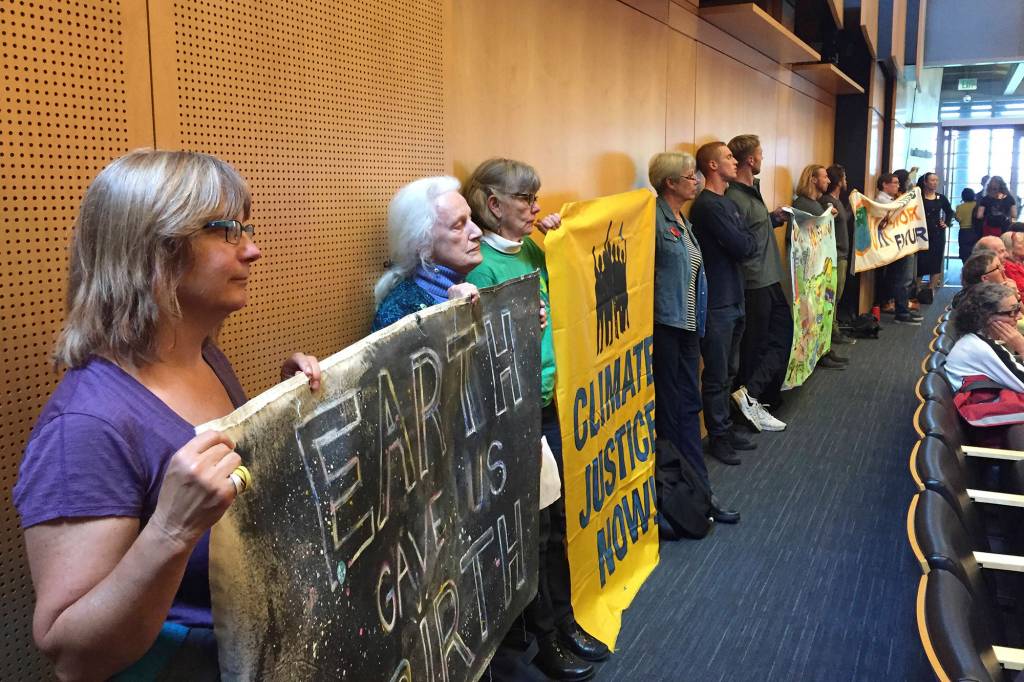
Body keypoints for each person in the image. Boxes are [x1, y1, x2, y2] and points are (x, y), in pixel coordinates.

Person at [12, 150, 323, 680]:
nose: (253, 249)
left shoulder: (204, 357)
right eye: (226, 231)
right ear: (153, 251)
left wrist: (284, 413)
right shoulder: (85, 428)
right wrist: (171, 530)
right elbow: (71, 657)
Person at [461, 158, 604, 681]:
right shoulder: (483, 267)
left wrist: (554, 240)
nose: (535, 207)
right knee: (538, 529)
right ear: (493, 204)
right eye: (525, 199)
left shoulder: (528, 250)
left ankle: (564, 621)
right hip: (516, 412)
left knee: (562, 520)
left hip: (550, 398)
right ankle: (544, 637)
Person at [647, 151, 740, 523]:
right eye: (689, 176)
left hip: (687, 330)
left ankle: (696, 492)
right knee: (677, 413)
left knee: (687, 409)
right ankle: (692, 496)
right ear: (669, 183)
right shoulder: (652, 218)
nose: (696, 181)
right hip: (666, 331)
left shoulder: (681, 221)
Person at [690, 141, 770, 464]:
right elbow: (743, 244)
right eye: (727, 157)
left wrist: (742, 239)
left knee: (731, 369)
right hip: (718, 302)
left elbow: (746, 242)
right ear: (711, 166)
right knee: (717, 371)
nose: (734, 161)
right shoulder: (707, 206)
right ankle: (718, 436)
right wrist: (742, 239)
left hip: (735, 297)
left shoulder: (728, 202)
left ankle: (725, 427)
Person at [724, 134, 794, 434]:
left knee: (781, 335)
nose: (763, 157)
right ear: (750, 159)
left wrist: (773, 219)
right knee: (757, 345)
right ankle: (750, 397)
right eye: (761, 153)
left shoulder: (752, 189)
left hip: (770, 276)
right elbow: (740, 240)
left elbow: (753, 227)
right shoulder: (733, 197)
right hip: (754, 282)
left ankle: (753, 394)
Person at [372, 176, 482, 330]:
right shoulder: (401, 313)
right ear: (422, 243)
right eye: (458, 226)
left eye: (470, 219)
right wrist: (454, 314)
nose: (477, 232)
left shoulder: (463, 285)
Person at [945, 282, 1024, 447]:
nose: (1018, 316)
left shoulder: (976, 340)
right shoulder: (981, 348)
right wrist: (1021, 345)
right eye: (1012, 311)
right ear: (987, 317)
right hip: (988, 435)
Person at [792, 164, 847, 369]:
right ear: (813, 180)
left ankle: (825, 350)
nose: (828, 181)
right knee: (814, 315)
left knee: (824, 311)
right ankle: (818, 355)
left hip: (823, 267)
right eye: (824, 177)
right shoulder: (803, 204)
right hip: (810, 271)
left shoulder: (815, 204)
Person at [875, 173, 922, 325]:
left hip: (901, 244)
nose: (898, 186)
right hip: (895, 246)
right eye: (894, 183)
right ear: (884, 185)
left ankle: (903, 309)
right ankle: (901, 312)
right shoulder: (882, 201)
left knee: (902, 279)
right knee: (903, 279)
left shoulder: (892, 200)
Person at [820, 164, 855, 344]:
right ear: (839, 181)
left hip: (842, 253)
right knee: (833, 296)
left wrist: (851, 206)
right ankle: (832, 332)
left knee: (837, 295)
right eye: (844, 178)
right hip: (835, 254)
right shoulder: (827, 201)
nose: (846, 181)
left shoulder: (838, 201)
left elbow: (843, 220)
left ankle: (833, 329)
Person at [915, 172, 954, 293]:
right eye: (932, 180)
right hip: (921, 233)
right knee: (921, 262)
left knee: (936, 261)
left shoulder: (941, 197)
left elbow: (950, 211)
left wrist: (946, 222)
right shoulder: (918, 197)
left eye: (936, 180)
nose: (935, 183)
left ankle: (931, 289)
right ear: (925, 182)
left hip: (937, 233)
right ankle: (916, 289)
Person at [955, 187, 978, 262]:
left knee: (965, 255)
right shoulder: (977, 205)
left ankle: (966, 270)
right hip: (976, 231)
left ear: (963, 197)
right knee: (975, 254)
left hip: (964, 232)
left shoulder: (959, 207)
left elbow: (959, 219)